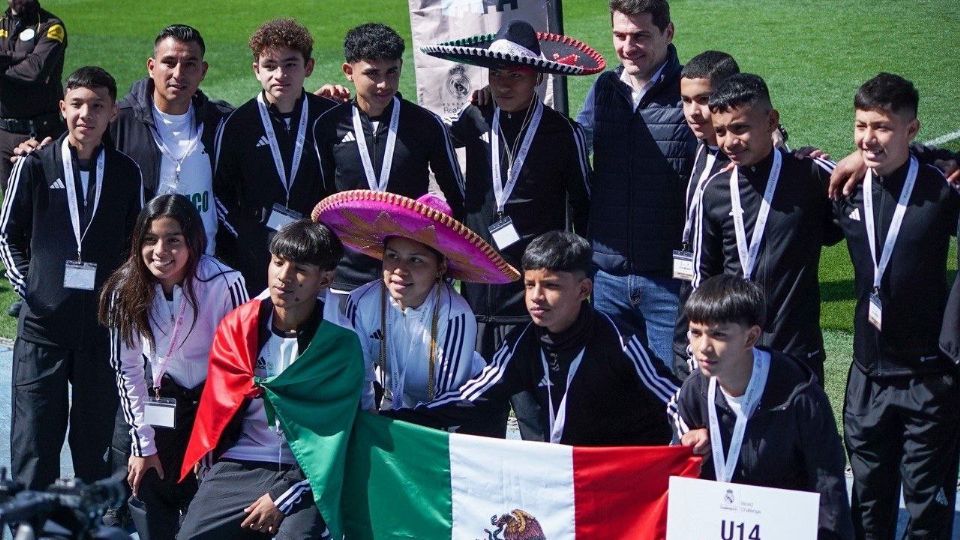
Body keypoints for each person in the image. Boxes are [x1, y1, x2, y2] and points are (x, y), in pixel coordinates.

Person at [422, 18, 597, 439]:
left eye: (514, 75)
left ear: (537, 78)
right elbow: (431, 145)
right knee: (478, 416)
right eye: (496, 74)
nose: (503, 83)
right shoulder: (476, 118)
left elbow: (585, 211)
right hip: (479, 295)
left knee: (538, 417)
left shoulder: (563, 133)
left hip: (533, 301)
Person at [391, 231, 680, 446]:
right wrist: (398, 419)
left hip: (622, 469)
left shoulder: (618, 340)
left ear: (584, 290)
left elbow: (671, 395)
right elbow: (472, 396)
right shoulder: (523, 342)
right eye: (529, 285)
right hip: (569, 469)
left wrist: (691, 428)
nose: (536, 297)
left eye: (551, 286)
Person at [0, 66, 143, 490]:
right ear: (62, 108)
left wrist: (118, 297)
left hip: (100, 329)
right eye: (77, 104)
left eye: (97, 106)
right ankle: (31, 528)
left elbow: (132, 248)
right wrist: (33, 290)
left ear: (113, 113)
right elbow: (8, 235)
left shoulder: (126, 172)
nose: (87, 114)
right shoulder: (34, 166)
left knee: (93, 445)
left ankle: (91, 525)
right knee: (34, 443)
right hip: (43, 328)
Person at [177, 219, 362, 539]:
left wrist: (282, 496)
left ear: (326, 278)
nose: (284, 277)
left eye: (300, 269)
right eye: (278, 263)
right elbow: (218, 404)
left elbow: (334, 444)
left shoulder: (341, 345)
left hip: (306, 473)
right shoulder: (239, 325)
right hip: (239, 462)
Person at [833, 73, 960, 539]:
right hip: (867, 377)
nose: (868, 138)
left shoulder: (943, 189)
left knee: (927, 506)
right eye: (861, 125)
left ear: (912, 129)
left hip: (929, 379)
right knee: (868, 502)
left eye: (883, 127)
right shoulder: (843, 188)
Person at [100, 194, 247, 540]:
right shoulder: (125, 287)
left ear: (193, 241)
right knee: (147, 483)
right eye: (150, 239)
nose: (160, 251)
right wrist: (143, 445)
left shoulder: (225, 282)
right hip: (158, 398)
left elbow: (239, 366)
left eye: (173, 240)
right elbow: (128, 369)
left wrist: (209, 438)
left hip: (213, 402)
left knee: (207, 506)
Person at [670, 275, 853, 540]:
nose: (702, 347)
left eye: (718, 334)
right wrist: (684, 450)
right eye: (695, 333)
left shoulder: (799, 398)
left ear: (751, 337)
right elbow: (677, 482)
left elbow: (829, 493)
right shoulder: (694, 390)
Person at [692, 73, 841, 384]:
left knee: (801, 431)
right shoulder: (715, 190)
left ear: (772, 121)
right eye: (720, 132)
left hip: (798, 350)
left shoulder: (811, 176)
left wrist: (851, 162)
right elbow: (703, 278)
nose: (729, 142)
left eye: (740, 128)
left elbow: (871, 197)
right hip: (732, 351)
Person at [313, 190, 518, 411]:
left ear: (440, 268)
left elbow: (449, 400)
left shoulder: (456, 316)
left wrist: (399, 423)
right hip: (399, 404)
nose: (400, 270)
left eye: (416, 260)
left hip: (463, 409)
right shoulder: (358, 304)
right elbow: (359, 379)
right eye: (392, 256)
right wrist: (370, 422)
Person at [313, 22, 465, 320]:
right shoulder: (327, 126)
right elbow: (318, 201)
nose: (384, 84)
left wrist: (446, 262)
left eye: (392, 72)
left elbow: (458, 197)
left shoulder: (425, 124)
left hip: (409, 275)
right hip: (348, 274)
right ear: (348, 71)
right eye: (372, 73)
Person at [577, 0, 697, 368]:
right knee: (611, 397)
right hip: (607, 280)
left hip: (668, 284)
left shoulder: (690, 94)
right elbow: (571, 145)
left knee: (669, 398)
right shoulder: (604, 89)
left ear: (668, 32)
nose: (628, 47)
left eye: (640, 36)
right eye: (620, 35)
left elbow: (738, 137)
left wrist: (776, 137)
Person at [215, 18, 337, 296]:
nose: (280, 74)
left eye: (290, 64)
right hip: (259, 255)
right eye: (270, 66)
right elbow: (220, 192)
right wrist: (246, 236)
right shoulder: (237, 124)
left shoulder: (327, 117)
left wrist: (328, 239)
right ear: (256, 70)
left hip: (315, 254)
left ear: (309, 67)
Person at [670, 50, 740, 377]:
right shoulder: (701, 146)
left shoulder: (745, 162)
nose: (693, 113)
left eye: (704, 100)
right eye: (685, 101)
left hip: (722, 316)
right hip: (688, 301)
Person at [0, 0, 66, 190]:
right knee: (12, 207)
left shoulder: (51, 26)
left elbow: (34, 71)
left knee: (47, 203)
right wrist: (19, 57)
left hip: (43, 134)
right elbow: (29, 65)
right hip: (4, 134)